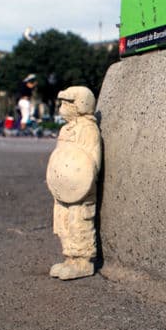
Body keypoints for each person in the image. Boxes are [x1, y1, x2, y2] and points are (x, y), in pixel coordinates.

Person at [46, 86, 102, 280]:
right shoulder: (66, 129)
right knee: (63, 223)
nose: (62, 107)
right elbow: (61, 157)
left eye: (67, 103)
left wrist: (79, 180)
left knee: (79, 222)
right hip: (65, 188)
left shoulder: (87, 129)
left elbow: (90, 161)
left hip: (80, 190)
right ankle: (70, 258)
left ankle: (82, 262)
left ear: (80, 105)